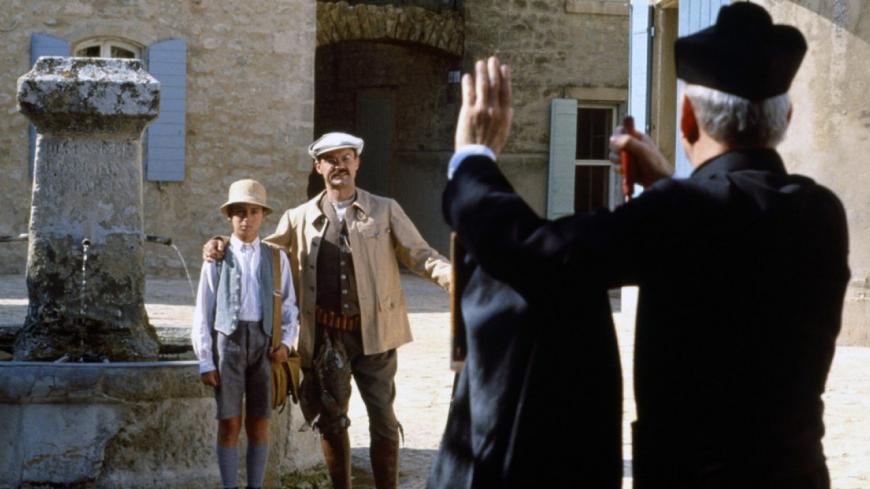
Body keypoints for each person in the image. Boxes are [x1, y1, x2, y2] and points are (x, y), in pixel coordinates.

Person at [434, 3, 849, 489]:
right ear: (786, 117)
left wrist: (474, 159)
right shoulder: (821, 212)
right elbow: (732, 235)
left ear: (687, 119)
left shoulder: (679, 214)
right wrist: (669, 185)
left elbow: (535, 252)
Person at [204, 132, 451, 489]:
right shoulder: (299, 217)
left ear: (357, 163)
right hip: (324, 338)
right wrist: (221, 243)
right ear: (318, 167)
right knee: (331, 421)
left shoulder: (385, 210)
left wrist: (456, 280)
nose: (340, 166)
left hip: (376, 334)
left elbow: (422, 255)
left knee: (383, 419)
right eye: (331, 160)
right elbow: (258, 251)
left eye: (346, 158)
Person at [191, 179, 300, 489]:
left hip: (264, 347)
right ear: (229, 217)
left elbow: (289, 306)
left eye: (253, 212)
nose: (246, 219)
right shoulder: (217, 259)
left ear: (263, 215)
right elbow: (203, 311)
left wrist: (286, 343)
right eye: (239, 212)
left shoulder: (276, 258)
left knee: (260, 423)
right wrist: (205, 360)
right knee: (229, 422)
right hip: (229, 345)